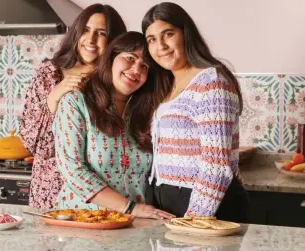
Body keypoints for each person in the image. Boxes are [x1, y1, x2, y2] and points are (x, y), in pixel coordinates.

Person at [141, 2, 249, 222]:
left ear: (185, 34)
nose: (160, 46)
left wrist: (194, 220)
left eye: (168, 34)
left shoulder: (212, 82)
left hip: (205, 207)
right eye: (151, 39)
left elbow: (216, 166)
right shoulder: (167, 85)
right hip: (169, 204)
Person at [52, 31, 175, 220]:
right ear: (111, 58)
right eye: (129, 58)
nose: (136, 70)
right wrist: (129, 207)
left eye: (144, 67)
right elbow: (72, 169)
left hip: (136, 228)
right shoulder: (75, 102)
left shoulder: (149, 112)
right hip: (82, 224)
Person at [19, 4, 127, 210]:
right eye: (86, 30)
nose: (91, 40)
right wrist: (54, 96)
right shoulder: (49, 73)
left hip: (99, 194)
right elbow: (30, 141)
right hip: (49, 191)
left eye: (101, 33)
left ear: (113, 40)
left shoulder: (116, 80)